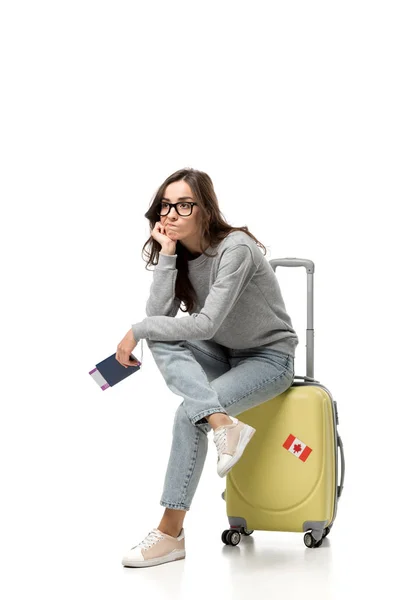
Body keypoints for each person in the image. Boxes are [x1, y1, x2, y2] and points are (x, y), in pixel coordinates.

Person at [118, 167, 298, 568]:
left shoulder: (236, 248)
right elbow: (159, 316)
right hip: (222, 352)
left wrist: (137, 330)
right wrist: (166, 254)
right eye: (166, 205)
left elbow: (205, 324)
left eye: (184, 205)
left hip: (269, 358)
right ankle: (221, 423)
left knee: (187, 415)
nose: (171, 214)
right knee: (160, 334)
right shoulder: (180, 252)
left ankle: (170, 534)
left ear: (205, 209)